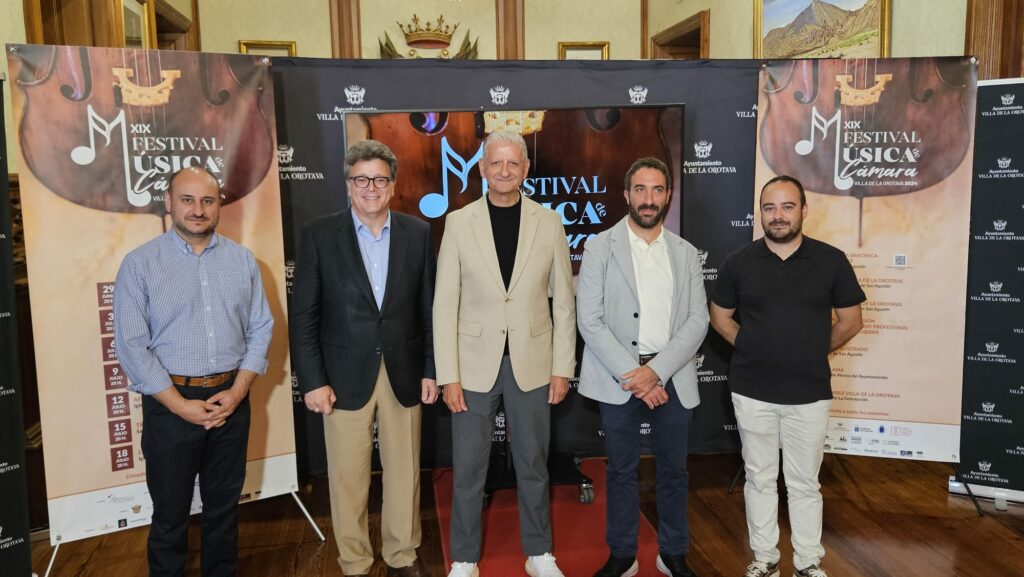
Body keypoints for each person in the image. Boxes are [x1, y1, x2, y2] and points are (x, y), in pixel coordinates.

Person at [113, 166, 274, 577]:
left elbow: (261, 328)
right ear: (168, 202)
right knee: (170, 516)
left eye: (207, 200)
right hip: (170, 405)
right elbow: (131, 344)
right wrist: (179, 405)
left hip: (230, 401)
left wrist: (237, 392)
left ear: (219, 205)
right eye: (187, 200)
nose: (197, 209)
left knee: (223, 509)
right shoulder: (140, 264)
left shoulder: (242, 261)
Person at [290, 140, 437, 577]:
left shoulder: (417, 233)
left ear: (392, 184)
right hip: (341, 378)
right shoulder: (319, 235)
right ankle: (354, 561)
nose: (370, 187)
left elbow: (428, 309)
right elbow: (304, 316)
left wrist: (432, 369)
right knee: (348, 478)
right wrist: (313, 380)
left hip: (404, 373)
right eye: (361, 179)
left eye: (379, 179)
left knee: (405, 472)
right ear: (348, 184)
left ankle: (402, 554)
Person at [433, 130, 576, 577]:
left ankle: (539, 553)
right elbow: (444, 304)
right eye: (496, 163)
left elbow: (564, 302)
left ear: (526, 169)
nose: (504, 170)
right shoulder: (459, 223)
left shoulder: (549, 223)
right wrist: (448, 375)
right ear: (482, 168)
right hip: (472, 365)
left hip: (533, 363)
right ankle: (465, 558)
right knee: (469, 468)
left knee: (533, 464)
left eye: (513, 163)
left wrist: (562, 367)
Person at [709, 175, 865, 577]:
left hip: (809, 393)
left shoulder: (831, 260)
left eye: (787, 206)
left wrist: (812, 349)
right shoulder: (738, 262)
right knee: (759, 478)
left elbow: (851, 321)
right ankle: (765, 559)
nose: (777, 215)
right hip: (752, 392)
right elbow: (720, 317)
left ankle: (808, 563)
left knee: (804, 483)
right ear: (760, 213)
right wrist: (752, 346)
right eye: (769, 208)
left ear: (804, 211)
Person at [577, 157, 708, 577]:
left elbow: (698, 320)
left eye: (656, 190)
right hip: (618, 380)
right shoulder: (600, 247)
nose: (648, 199)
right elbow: (589, 320)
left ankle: (673, 553)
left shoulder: (686, 252)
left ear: (668, 196)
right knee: (620, 471)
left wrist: (657, 372)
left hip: (672, 378)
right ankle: (622, 555)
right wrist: (636, 377)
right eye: (640, 189)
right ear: (626, 195)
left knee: (674, 471)